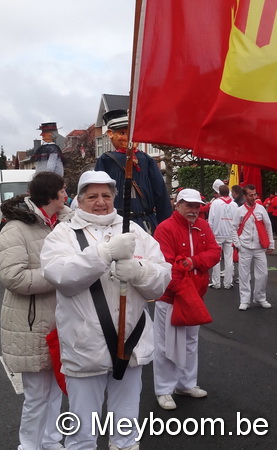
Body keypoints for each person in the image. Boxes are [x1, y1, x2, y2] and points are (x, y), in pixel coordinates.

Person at [40, 170, 171, 450]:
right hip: (85, 347)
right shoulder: (63, 234)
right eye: (92, 196)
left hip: (131, 344)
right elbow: (60, 276)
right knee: (83, 431)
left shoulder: (135, 231)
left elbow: (160, 282)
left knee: (126, 427)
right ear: (79, 200)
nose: (100, 202)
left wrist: (139, 270)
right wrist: (105, 253)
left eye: (106, 195)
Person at [0, 171, 73, 450]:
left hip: (62, 320)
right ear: (51, 195)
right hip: (31, 323)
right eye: (63, 191)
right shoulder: (15, 229)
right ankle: (28, 445)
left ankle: (51, 440)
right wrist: (61, 275)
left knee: (56, 389)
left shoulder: (64, 223)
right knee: (37, 395)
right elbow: (12, 277)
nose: (67, 196)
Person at [152, 188, 221, 410]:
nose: (193, 210)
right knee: (166, 344)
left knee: (190, 342)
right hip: (172, 296)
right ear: (178, 205)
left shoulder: (203, 226)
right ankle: (164, 389)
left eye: (197, 206)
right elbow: (166, 264)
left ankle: (186, 384)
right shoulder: (165, 228)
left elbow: (215, 252)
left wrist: (193, 262)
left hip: (194, 295)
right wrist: (183, 290)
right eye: (189, 205)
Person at [94, 109, 171, 234]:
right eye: (123, 133)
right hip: (115, 223)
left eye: (133, 134)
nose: (129, 138)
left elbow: (161, 195)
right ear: (110, 134)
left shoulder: (147, 160)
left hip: (145, 223)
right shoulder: (106, 160)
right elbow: (97, 191)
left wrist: (165, 227)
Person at [233, 184, 274, 311]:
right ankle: (244, 300)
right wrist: (238, 244)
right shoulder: (239, 211)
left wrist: (271, 243)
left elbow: (268, 226)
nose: (254, 197)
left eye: (255, 194)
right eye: (251, 195)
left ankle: (260, 297)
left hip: (259, 247)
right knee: (244, 275)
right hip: (245, 247)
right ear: (244, 196)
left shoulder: (261, 209)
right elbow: (233, 228)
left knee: (263, 274)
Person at [208, 184, 237, 290]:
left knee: (216, 258)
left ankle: (216, 283)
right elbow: (237, 221)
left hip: (217, 234)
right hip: (230, 234)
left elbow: (211, 220)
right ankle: (228, 283)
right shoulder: (234, 204)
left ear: (219, 192)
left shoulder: (215, 203)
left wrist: (210, 233)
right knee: (229, 259)